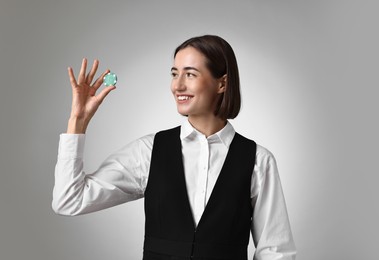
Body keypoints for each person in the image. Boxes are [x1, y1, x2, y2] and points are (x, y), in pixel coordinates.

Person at [52, 35, 297, 260]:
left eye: (190, 74)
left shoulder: (257, 160)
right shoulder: (149, 151)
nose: (177, 86)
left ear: (222, 84)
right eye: (174, 73)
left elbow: (276, 252)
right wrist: (78, 122)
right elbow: (69, 201)